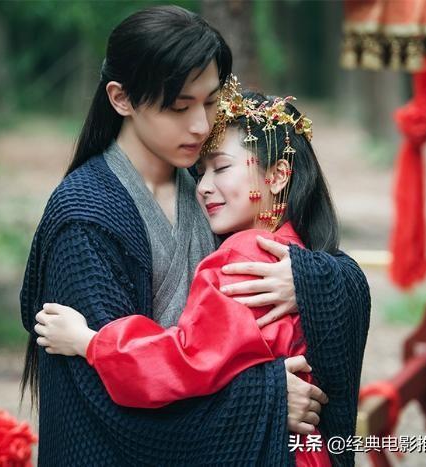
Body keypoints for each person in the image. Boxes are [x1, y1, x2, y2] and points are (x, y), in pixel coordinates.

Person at [20, 5, 366, 466]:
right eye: (180, 107)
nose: (202, 125)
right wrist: (263, 401)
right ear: (121, 99)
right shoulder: (85, 217)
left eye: (210, 102)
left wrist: (306, 280)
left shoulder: (209, 189)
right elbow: (101, 396)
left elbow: (336, 272)